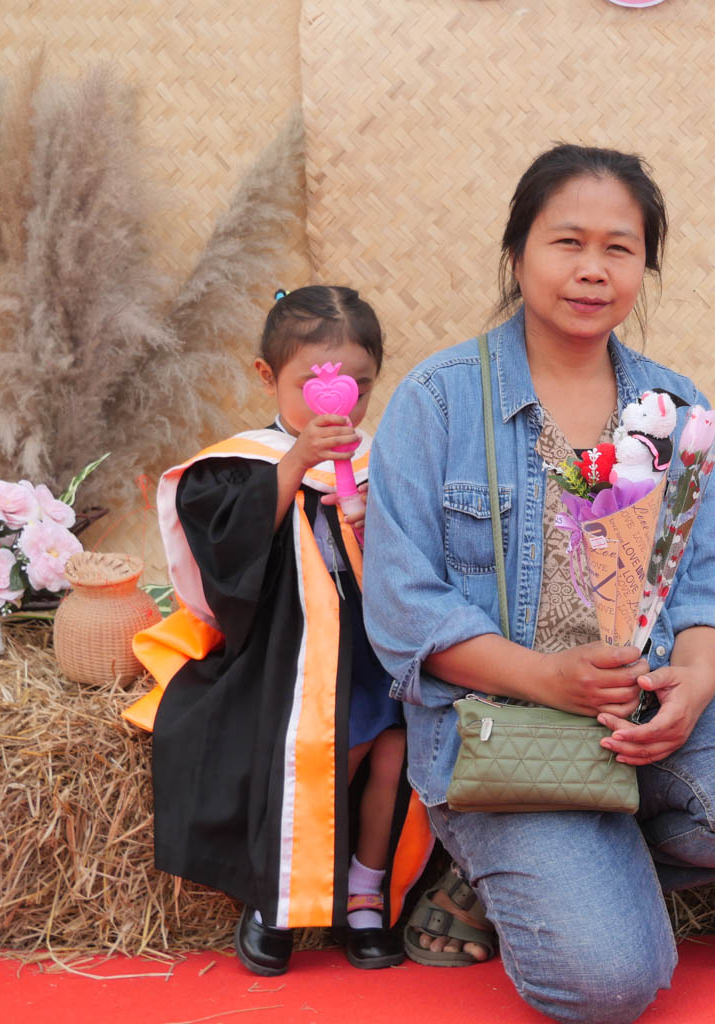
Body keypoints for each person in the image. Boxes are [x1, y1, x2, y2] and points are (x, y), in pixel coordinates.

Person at [362, 144, 715, 1024]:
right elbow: (402, 608)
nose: (593, 269)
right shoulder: (438, 402)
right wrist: (546, 678)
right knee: (606, 989)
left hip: (640, 705)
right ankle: (516, 871)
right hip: (500, 727)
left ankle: (572, 869)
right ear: (518, 253)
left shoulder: (672, 404)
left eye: (619, 248)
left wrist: (695, 679)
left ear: (643, 266)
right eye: (567, 242)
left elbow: (711, 577)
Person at [127, 287, 428, 975]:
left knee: (397, 753)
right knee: (329, 749)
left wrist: (378, 524)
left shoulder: (385, 462)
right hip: (288, 654)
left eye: (359, 387)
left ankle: (365, 890)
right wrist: (294, 465)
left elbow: (422, 560)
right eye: (314, 387)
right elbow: (226, 559)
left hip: (374, 648)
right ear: (267, 377)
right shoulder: (238, 465)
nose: (340, 405)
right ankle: (279, 894)